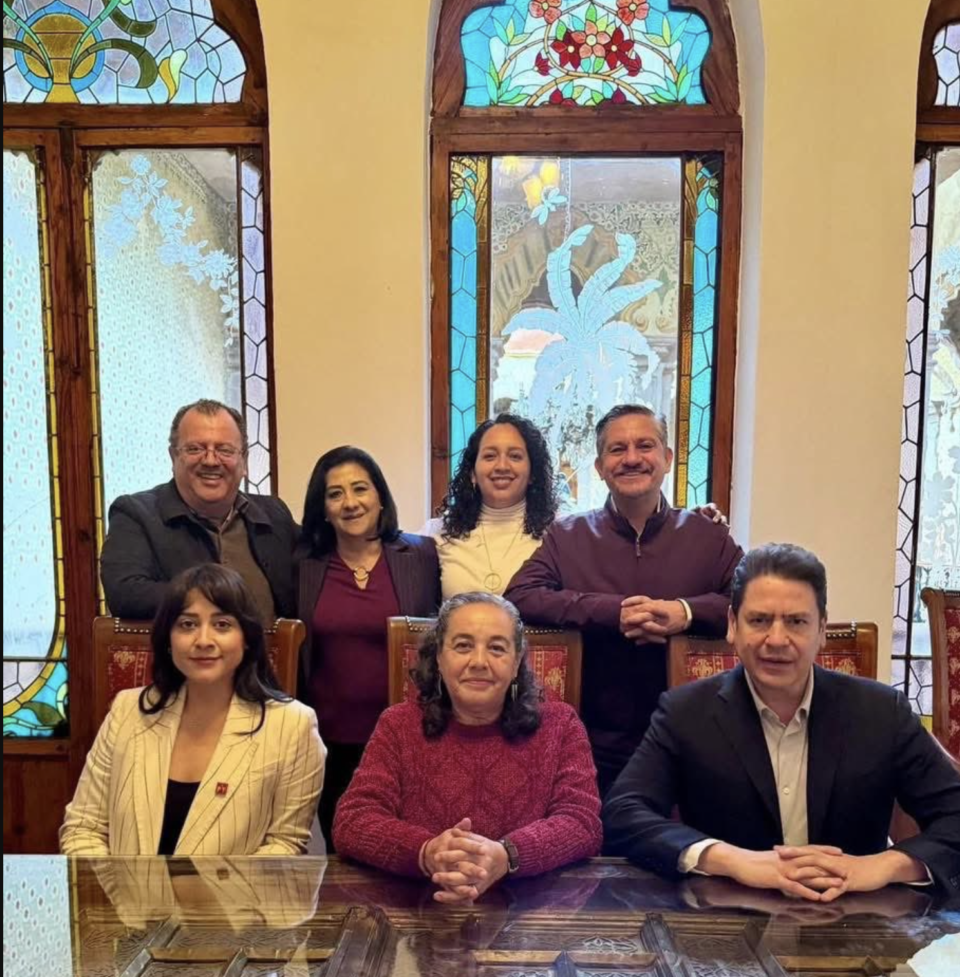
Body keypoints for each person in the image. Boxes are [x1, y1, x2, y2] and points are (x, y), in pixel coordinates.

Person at [603, 543, 960, 898]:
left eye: (796, 622)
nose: (776, 639)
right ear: (733, 626)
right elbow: (623, 814)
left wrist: (882, 866)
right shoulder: (686, 712)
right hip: (729, 916)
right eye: (759, 620)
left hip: (855, 915)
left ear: (821, 629)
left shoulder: (882, 712)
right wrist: (731, 860)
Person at [505, 404, 743, 796]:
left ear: (667, 458)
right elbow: (520, 596)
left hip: (693, 739)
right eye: (617, 449)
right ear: (600, 467)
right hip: (592, 741)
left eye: (645, 446)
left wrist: (684, 613)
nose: (632, 458)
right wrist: (610, 612)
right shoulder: (568, 536)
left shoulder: (706, 535)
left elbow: (750, 602)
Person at [332, 592, 602, 902]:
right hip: (417, 910)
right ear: (439, 657)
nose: (479, 662)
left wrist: (506, 855)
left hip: (529, 913)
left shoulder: (560, 725)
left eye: (497, 648)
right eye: (463, 646)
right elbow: (353, 820)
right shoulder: (398, 724)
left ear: (516, 662)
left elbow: (582, 823)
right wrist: (427, 852)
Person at [61, 564, 325, 856]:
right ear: (168, 639)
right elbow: (83, 829)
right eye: (187, 624)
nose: (203, 641)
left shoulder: (293, 725)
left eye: (222, 625)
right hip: (123, 886)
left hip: (236, 888)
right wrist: (117, 885)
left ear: (247, 639)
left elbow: (285, 844)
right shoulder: (127, 710)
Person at [297, 446, 441, 850]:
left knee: (409, 848)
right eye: (335, 493)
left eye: (360, 488)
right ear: (323, 508)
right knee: (346, 847)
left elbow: (438, 639)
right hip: (330, 742)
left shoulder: (421, 555)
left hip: (408, 739)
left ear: (380, 496)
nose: (350, 502)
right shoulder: (303, 564)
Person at [101, 399, 298, 625]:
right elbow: (125, 593)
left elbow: (318, 565)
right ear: (173, 457)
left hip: (273, 650)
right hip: (186, 649)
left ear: (244, 460)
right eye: (195, 449)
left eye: (225, 450)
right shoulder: (136, 514)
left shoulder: (274, 514)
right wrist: (211, 595)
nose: (211, 461)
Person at [422, 415, 558, 599]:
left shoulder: (558, 534)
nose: (502, 466)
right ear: (472, 473)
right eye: (490, 456)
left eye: (515, 456)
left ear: (533, 473)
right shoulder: (438, 533)